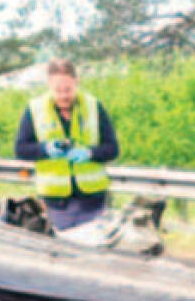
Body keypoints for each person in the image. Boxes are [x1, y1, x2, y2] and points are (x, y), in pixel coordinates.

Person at [15, 59, 119, 230]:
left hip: (93, 200)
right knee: (66, 250)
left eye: (68, 89)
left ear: (76, 82)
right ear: (49, 85)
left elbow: (112, 149)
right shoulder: (35, 109)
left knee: (95, 252)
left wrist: (89, 153)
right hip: (58, 203)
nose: (64, 96)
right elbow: (21, 149)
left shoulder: (93, 106)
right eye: (58, 90)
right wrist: (45, 149)